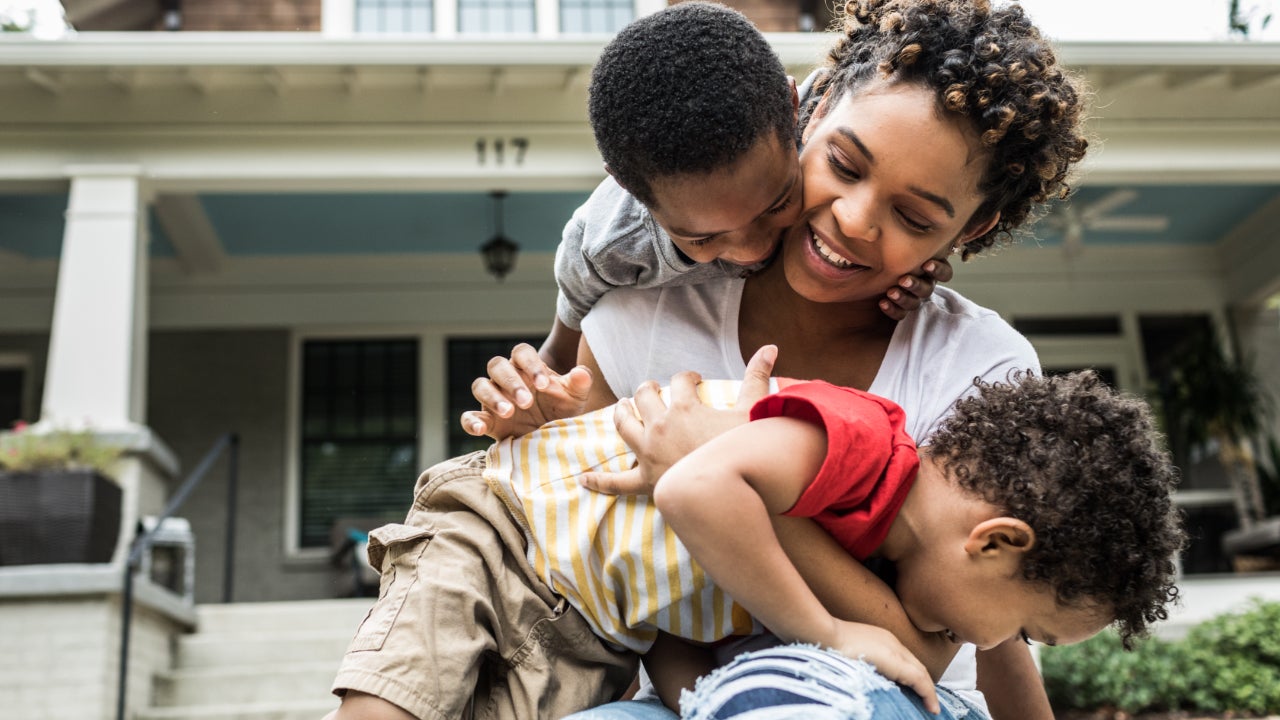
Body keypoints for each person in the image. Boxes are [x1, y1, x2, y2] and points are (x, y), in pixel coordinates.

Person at [466, 1, 1095, 718]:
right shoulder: (639, 314)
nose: (854, 221)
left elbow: (933, 642)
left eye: (916, 218)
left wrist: (716, 469)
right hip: (679, 693)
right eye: (844, 164)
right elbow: (613, 572)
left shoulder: (978, 366)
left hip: (887, 697)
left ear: (970, 227)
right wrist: (540, 424)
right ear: (811, 110)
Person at [332, 365, 1183, 720]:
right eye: (1024, 631)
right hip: (506, 529)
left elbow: (682, 623)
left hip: (588, 630)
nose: (997, 648)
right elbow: (693, 485)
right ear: (995, 541)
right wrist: (834, 633)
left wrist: (695, 698)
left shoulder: (844, 563)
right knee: (397, 697)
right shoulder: (860, 443)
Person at [537, 1, 949, 375]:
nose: (753, 251)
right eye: (703, 238)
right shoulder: (607, 248)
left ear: (796, 111)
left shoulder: (840, 120)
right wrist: (528, 399)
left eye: (777, 204)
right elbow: (557, 364)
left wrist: (916, 260)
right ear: (629, 188)